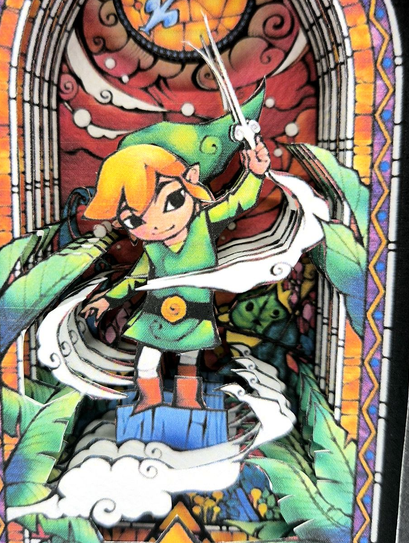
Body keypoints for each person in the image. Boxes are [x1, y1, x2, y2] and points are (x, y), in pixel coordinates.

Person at [82, 138, 270, 413]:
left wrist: (254, 173)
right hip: (155, 316)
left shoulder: (203, 222)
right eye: (134, 220)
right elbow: (134, 279)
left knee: (189, 360)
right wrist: (106, 300)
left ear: (191, 181)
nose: (156, 224)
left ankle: (188, 401)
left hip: (195, 314)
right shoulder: (152, 248)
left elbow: (237, 201)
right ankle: (149, 401)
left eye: (172, 200)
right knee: (146, 361)